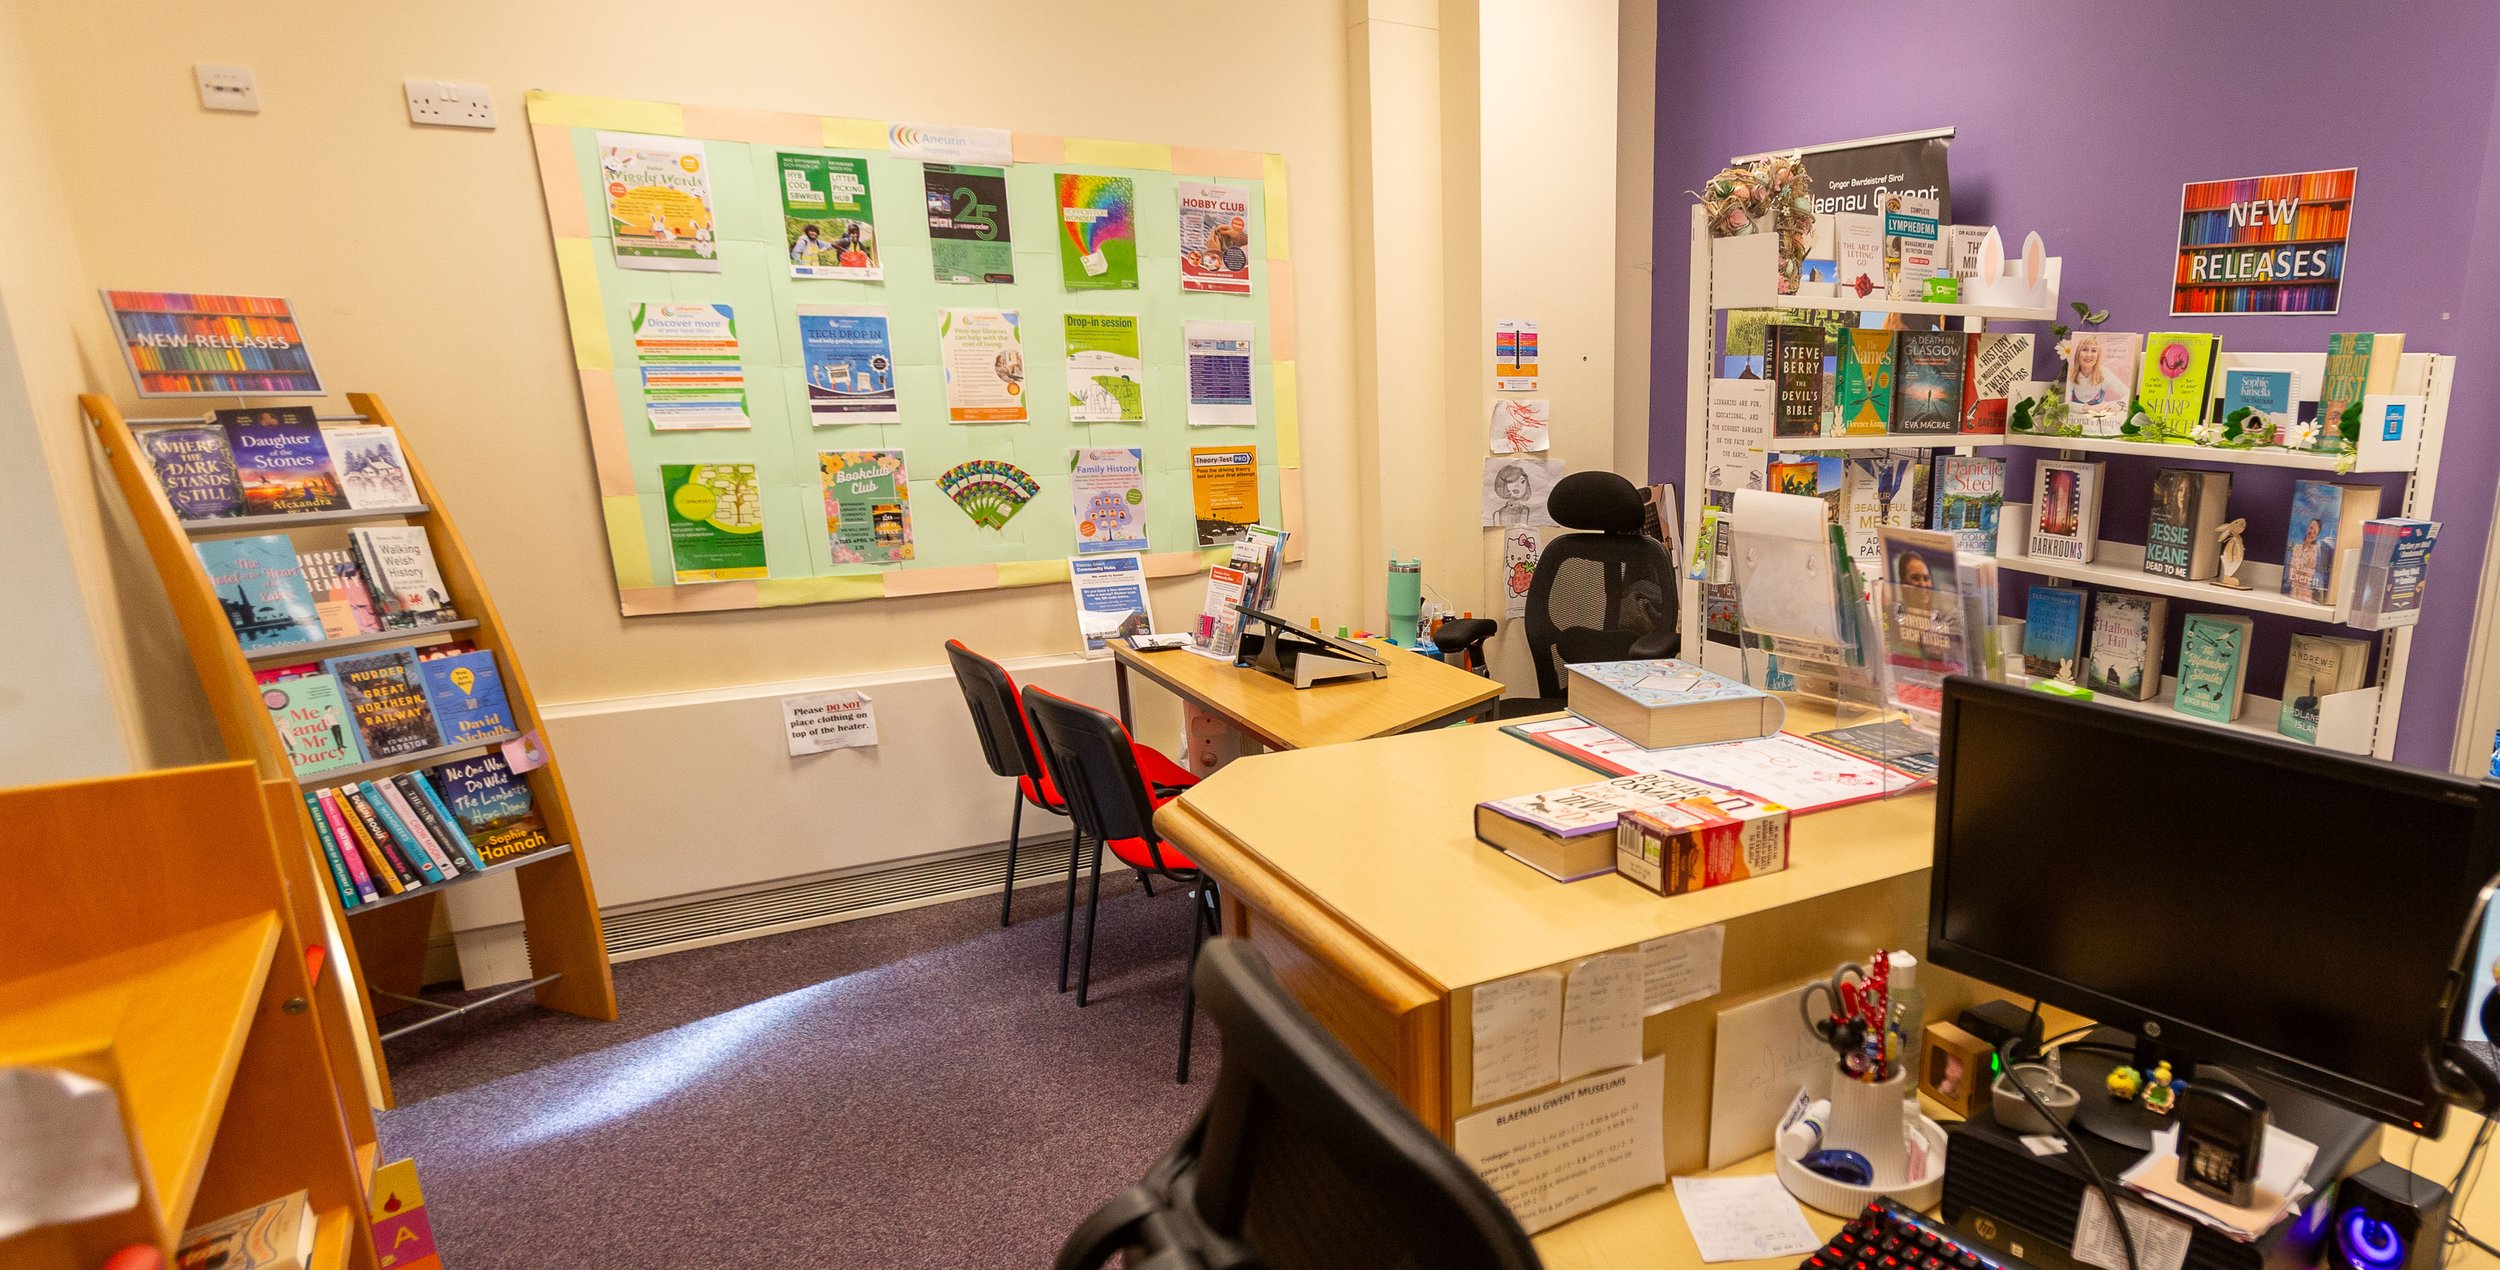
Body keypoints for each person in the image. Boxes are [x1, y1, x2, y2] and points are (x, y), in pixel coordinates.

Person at [2289, 518, 2324, 601]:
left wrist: (2298, 572)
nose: (2311, 532)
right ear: (2307, 528)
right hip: (2293, 592)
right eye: (2311, 528)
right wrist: (2298, 573)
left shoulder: (2315, 551)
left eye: (2315, 532)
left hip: (2305, 596)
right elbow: (2291, 573)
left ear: (2316, 536)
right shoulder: (2297, 547)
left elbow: (2307, 576)